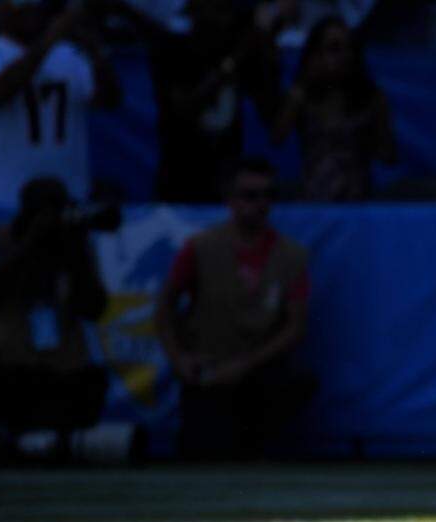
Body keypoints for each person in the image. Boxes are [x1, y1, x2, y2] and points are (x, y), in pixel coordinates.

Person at [155, 158, 315, 460]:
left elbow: (295, 327)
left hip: (259, 368)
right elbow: (164, 310)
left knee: (289, 389)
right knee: (202, 451)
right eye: (250, 195)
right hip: (209, 366)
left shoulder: (292, 256)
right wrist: (180, 359)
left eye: (268, 195)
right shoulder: (200, 247)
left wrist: (245, 365)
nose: (260, 204)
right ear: (230, 199)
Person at [0, 176, 109, 452]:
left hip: (65, 371)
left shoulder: (73, 245)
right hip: (10, 368)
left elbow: (95, 309)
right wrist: (29, 246)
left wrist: (77, 255)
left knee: (89, 385)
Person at [0, 0, 121, 206]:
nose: (29, 8)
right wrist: (52, 35)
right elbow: (0, 91)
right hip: (1, 201)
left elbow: (109, 100)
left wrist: (96, 51)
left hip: (67, 198)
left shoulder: (71, 55)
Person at [148, 0, 280, 202]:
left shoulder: (239, 50)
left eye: (229, 13)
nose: (226, 20)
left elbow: (272, 118)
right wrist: (232, 63)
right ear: (196, 9)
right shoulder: (172, 49)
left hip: (226, 188)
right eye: (220, 9)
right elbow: (185, 109)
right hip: (179, 184)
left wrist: (266, 49)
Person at [271, 15, 394, 201]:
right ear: (315, 54)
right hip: (314, 203)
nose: (343, 56)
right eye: (334, 48)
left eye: (348, 48)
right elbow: (277, 137)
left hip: (358, 202)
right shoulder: (301, 97)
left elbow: (388, 154)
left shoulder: (371, 99)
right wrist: (302, 87)